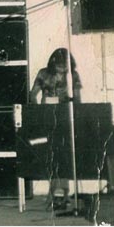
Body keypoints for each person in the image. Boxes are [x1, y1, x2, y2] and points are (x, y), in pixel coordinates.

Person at [30, 47, 82, 209]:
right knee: (51, 153)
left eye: (64, 64)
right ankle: (54, 193)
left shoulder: (73, 75)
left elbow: (77, 98)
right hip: (47, 117)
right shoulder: (43, 73)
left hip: (65, 117)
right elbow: (33, 94)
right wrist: (38, 112)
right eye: (58, 64)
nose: (61, 67)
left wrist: (76, 115)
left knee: (63, 154)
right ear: (53, 63)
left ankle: (62, 193)